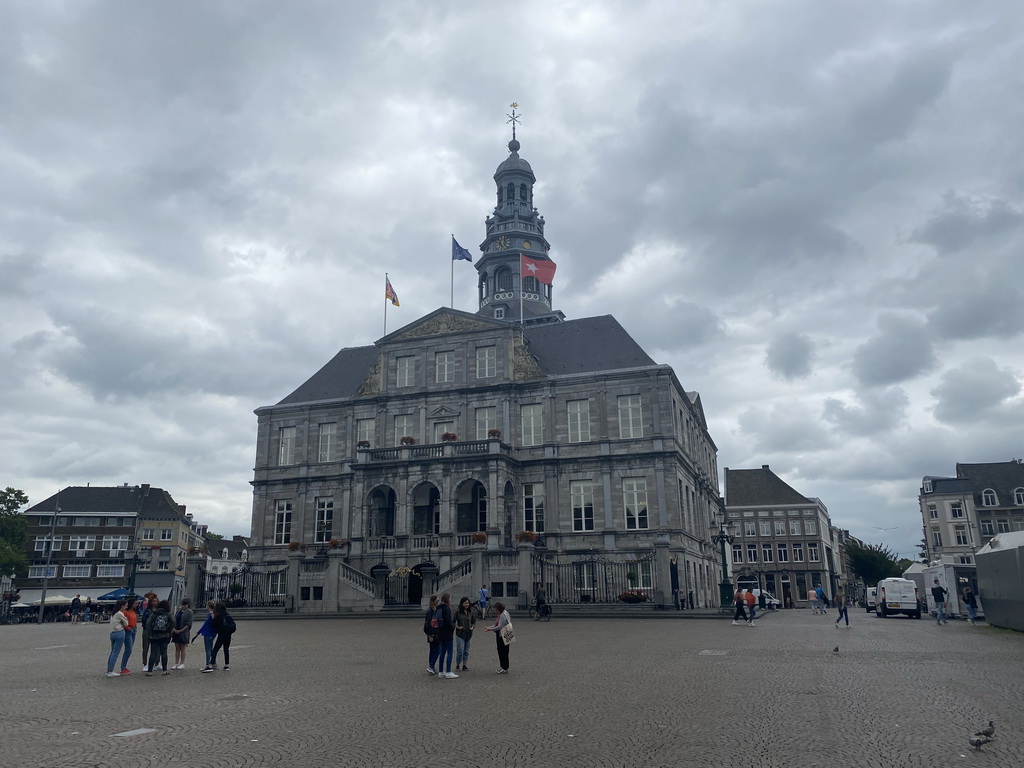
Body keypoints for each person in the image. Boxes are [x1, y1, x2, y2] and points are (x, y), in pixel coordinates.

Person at [145, 599, 174, 676]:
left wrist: (150, 633)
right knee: (164, 653)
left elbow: (148, 623)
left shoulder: (155, 613)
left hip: (154, 635)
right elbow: (173, 622)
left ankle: (149, 671)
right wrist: (168, 631)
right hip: (164, 635)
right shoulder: (168, 614)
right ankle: (164, 670)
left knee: (153, 653)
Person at [205, 601, 235, 672]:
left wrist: (212, 618)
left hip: (221, 634)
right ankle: (226, 665)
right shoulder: (227, 615)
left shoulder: (218, 616)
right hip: (228, 634)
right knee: (226, 649)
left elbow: (213, 625)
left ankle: (211, 664)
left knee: (215, 649)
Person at [484, 601, 512, 673]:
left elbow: (499, 627)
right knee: (504, 651)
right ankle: (504, 666)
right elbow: (497, 625)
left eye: (495, 610)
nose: (494, 611)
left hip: (503, 634)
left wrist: (489, 629)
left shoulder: (502, 615)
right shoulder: (505, 613)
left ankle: (504, 667)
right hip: (508, 632)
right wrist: (489, 627)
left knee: (502, 651)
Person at [435, 593, 457, 679]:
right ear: (447, 599)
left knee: (442, 652)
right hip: (447, 633)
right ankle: (448, 671)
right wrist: (453, 627)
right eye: (450, 599)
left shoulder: (438, 607)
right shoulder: (446, 609)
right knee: (450, 652)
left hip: (440, 632)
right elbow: (448, 622)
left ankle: (441, 671)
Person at [105, 599, 129, 678]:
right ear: (122, 606)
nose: (126, 606)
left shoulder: (114, 613)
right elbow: (126, 623)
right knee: (116, 652)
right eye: (125, 605)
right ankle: (111, 670)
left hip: (112, 633)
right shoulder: (120, 613)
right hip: (119, 632)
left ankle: (109, 669)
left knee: (112, 652)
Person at [170, 598, 194, 669]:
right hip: (176, 631)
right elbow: (173, 620)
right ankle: (176, 663)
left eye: (185, 605)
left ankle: (182, 663)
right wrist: (174, 629)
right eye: (182, 605)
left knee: (182, 647)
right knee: (177, 647)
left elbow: (189, 623)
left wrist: (181, 630)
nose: (183, 606)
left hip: (184, 632)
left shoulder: (190, 612)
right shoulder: (178, 611)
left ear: (187, 605)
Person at [193, 601, 218, 668]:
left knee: (208, 650)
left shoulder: (211, 615)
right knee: (210, 648)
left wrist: (199, 632)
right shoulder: (211, 614)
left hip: (208, 633)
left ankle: (208, 664)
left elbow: (206, 625)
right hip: (210, 633)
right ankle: (213, 662)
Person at [139, 594, 160, 671]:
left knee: (157, 648)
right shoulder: (147, 610)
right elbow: (144, 620)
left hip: (157, 631)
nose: (155, 602)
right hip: (147, 631)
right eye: (154, 601)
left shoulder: (159, 610)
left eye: (156, 601)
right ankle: (145, 664)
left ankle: (156, 663)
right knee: (145, 647)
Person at [454, 597, 476, 671]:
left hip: (469, 634)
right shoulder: (458, 612)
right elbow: (453, 622)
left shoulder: (471, 612)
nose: (467, 604)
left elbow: (473, 622)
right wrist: (457, 627)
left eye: (468, 603)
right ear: (462, 604)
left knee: (466, 650)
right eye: (465, 603)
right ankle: (458, 663)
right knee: (460, 649)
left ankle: (464, 665)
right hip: (460, 633)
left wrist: (472, 627)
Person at [423, 594, 441, 676]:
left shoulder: (435, 610)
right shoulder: (430, 611)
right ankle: (431, 666)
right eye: (436, 601)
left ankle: (431, 666)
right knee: (437, 650)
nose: (438, 602)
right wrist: (430, 635)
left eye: (438, 601)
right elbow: (427, 625)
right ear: (432, 601)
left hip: (436, 632)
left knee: (433, 651)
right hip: (433, 633)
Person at [119, 597, 138, 674]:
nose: (137, 605)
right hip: (128, 631)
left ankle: (124, 666)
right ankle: (123, 667)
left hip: (133, 630)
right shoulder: (125, 612)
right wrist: (127, 628)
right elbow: (122, 622)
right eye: (135, 603)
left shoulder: (133, 611)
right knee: (128, 649)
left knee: (129, 649)